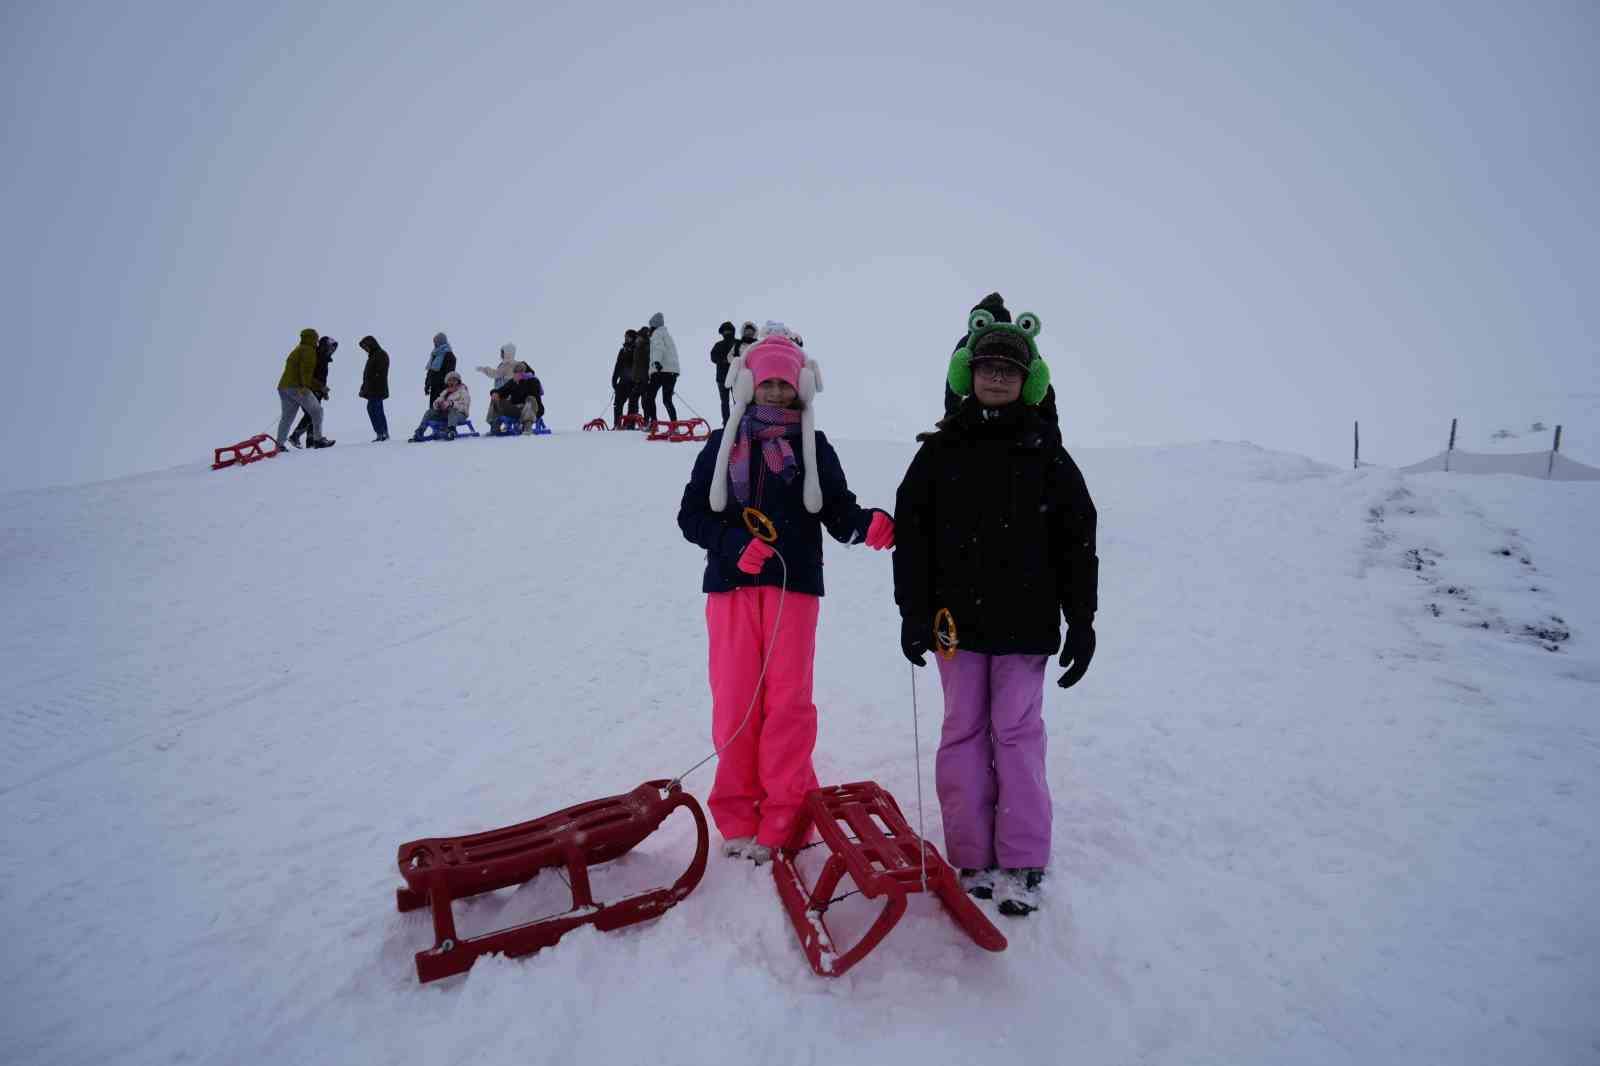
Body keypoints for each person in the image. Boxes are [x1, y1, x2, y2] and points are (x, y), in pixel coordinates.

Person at [892, 303, 1098, 918]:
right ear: (968, 373)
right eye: (988, 367)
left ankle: (1024, 858)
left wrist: (1081, 620)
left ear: (1030, 380)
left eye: (1012, 369)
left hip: (1025, 625)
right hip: (955, 626)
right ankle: (972, 854)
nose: (999, 377)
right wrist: (912, 612)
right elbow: (914, 536)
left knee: (1015, 733)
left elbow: (1078, 542)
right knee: (961, 732)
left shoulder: (1049, 457)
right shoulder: (939, 452)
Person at [677, 324, 895, 864]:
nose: (777, 395)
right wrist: (730, 544)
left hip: (793, 591)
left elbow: (837, 509)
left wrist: (866, 525)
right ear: (749, 386)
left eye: (785, 386)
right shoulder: (722, 445)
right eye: (767, 385)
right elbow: (691, 516)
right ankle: (737, 816)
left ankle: (785, 816)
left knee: (787, 707)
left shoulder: (813, 447)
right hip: (730, 592)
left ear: (802, 389)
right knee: (735, 706)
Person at [945, 293, 1061, 444]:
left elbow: (952, 385)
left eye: (1011, 370)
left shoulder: (968, 342)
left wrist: (950, 418)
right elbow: (1043, 386)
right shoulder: (1021, 343)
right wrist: (1050, 426)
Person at [275, 328, 334, 449]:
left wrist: (320, 387)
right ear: (312, 338)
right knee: (317, 411)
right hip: (298, 387)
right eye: (316, 338)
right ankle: (318, 440)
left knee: (287, 417)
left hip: (283, 387)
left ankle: (279, 444)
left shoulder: (298, 349)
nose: (317, 341)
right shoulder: (308, 351)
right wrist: (306, 386)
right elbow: (306, 371)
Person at [289, 335, 337, 447]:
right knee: (312, 414)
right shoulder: (316, 357)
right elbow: (309, 375)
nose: (332, 350)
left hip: (317, 391)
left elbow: (321, 377)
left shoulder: (324, 359)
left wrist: (323, 391)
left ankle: (311, 441)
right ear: (324, 346)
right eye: (331, 347)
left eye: (334, 349)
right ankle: (295, 436)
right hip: (309, 390)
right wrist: (319, 388)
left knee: (312, 415)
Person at [409, 370, 471, 441]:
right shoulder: (445, 392)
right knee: (429, 412)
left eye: (454, 380)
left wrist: (451, 404)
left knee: (452, 410)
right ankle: (420, 431)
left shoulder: (462, 391)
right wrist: (438, 404)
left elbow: (465, 406)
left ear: (458, 381)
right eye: (450, 380)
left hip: (460, 415)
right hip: (446, 414)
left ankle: (451, 431)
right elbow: (436, 401)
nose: (452, 382)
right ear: (447, 382)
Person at [487, 362, 545, 433]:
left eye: (517, 372)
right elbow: (501, 391)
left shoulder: (533, 381)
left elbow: (534, 396)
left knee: (530, 399)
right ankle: (494, 424)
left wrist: (522, 382)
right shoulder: (513, 382)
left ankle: (527, 426)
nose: (514, 374)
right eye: (514, 372)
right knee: (496, 398)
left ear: (523, 373)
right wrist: (494, 393)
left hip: (533, 409)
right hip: (517, 410)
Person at [646, 311, 681, 423]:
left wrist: (656, 361)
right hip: (672, 371)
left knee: (649, 396)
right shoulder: (667, 335)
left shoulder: (657, 334)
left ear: (653, 325)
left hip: (660, 370)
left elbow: (658, 348)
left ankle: (653, 423)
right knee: (667, 400)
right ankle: (674, 425)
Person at [358, 335, 390, 441]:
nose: (365, 349)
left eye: (365, 347)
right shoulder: (373, 356)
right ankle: (381, 433)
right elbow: (368, 374)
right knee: (374, 409)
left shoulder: (380, 354)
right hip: (372, 389)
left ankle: (382, 433)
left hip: (377, 389)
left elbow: (379, 373)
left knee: (375, 409)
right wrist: (364, 387)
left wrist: (372, 382)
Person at [476, 343, 519, 420]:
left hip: (504, 392)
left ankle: (494, 424)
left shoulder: (507, 364)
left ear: (507, 353)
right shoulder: (515, 364)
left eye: (502, 352)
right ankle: (500, 424)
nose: (501, 354)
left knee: (495, 405)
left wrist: (484, 369)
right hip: (510, 392)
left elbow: (495, 374)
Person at [709, 321, 738, 424]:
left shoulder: (737, 343)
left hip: (735, 378)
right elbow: (713, 357)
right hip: (725, 378)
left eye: (728, 330)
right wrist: (724, 360)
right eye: (725, 331)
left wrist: (723, 360)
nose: (727, 333)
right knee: (728, 402)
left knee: (736, 402)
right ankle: (727, 423)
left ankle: (734, 422)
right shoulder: (720, 344)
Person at [613, 329, 638, 428]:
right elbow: (617, 366)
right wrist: (614, 379)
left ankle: (630, 425)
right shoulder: (622, 350)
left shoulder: (637, 350)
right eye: (625, 336)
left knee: (632, 403)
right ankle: (617, 425)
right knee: (617, 403)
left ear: (632, 338)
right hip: (622, 381)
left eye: (628, 336)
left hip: (633, 381)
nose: (626, 338)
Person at [424, 332, 456, 402]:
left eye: (436, 342)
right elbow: (430, 372)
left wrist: (447, 387)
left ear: (441, 341)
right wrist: (427, 384)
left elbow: (450, 374)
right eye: (434, 342)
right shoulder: (435, 355)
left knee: (442, 409)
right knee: (433, 409)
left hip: (443, 388)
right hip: (434, 388)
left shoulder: (449, 355)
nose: (435, 344)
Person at [631, 325, 653, 423]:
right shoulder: (637, 347)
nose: (637, 339)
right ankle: (633, 420)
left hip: (645, 378)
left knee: (645, 401)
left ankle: (647, 421)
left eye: (639, 337)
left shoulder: (647, 347)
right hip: (638, 378)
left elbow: (648, 362)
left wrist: (648, 376)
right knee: (633, 398)